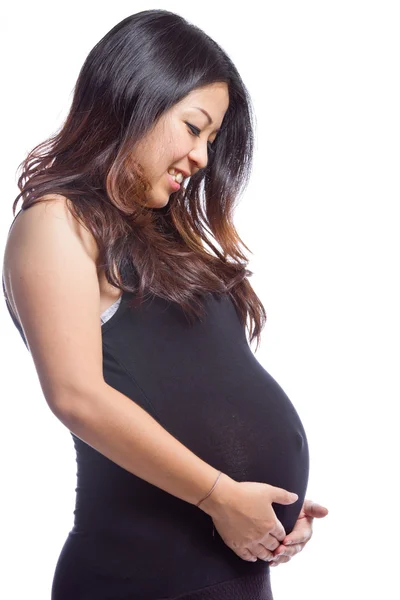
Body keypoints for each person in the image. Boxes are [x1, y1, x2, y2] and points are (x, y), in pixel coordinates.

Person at [2, 9, 328, 600]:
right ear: (136, 100)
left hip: (226, 570)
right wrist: (220, 495)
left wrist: (272, 512)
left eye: (212, 138)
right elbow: (77, 396)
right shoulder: (57, 224)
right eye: (194, 127)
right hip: (141, 577)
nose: (203, 156)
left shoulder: (166, 239)